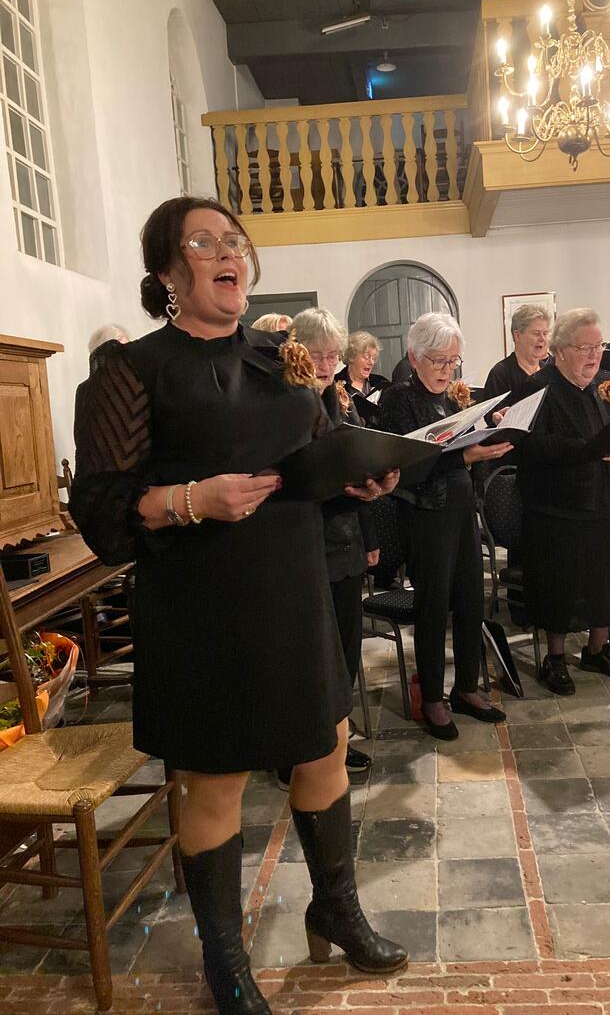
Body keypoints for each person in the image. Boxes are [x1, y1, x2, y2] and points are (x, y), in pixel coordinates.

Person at [69, 196, 406, 1015]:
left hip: (293, 589)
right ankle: (224, 959)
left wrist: (355, 478)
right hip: (202, 605)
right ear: (166, 271)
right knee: (214, 782)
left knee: (325, 749)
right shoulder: (132, 371)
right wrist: (191, 499)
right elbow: (104, 516)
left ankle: (336, 909)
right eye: (204, 242)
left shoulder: (275, 358)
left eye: (235, 241)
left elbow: (307, 464)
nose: (229, 253)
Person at [377, 312, 509, 739]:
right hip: (424, 515)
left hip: (461, 508)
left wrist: (490, 433)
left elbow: (463, 451)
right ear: (414, 357)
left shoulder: (454, 398)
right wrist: (464, 457)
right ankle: (432, 696)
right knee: (433, 607)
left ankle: (466, 687)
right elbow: (405, 467)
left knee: (472, 599)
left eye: (453, 361)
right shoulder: (398, 399)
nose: (447, 369)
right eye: (438, 360)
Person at [515, 308, 610, 696]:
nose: (594, 355)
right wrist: (586, 449)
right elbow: (530, 445)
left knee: (606, 579)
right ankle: (555, 658)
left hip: (607, 498)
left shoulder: (609, 383)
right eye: (584, 348)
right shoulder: (537, 388)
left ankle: (598, 649)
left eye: (598, 346)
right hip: (557, 506)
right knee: (560, 585)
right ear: (559, 351)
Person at [290, 307, 379, 777]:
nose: (326, 365)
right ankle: (299, 752)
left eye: (333, 356)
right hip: (303, 545)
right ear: (295, 353)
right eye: (317, 355)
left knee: (345, 648)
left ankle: (335, 740)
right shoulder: (285, 404)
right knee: (309, 656)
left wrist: (378, 480)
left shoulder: (339, 399)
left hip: (345, 541)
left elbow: (359, 453)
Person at [484, 304, 551, 402]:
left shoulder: (550, 371)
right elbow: (495, 411)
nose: (542, 339)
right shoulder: (500, 374)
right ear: (517, 336)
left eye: (545, 333)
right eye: (536, 333)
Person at [335, 331, 391, 398]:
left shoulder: (381, 383)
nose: (371, 362)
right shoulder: (334, 384)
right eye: (366, 357)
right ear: (352, 356)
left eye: (373, 358)